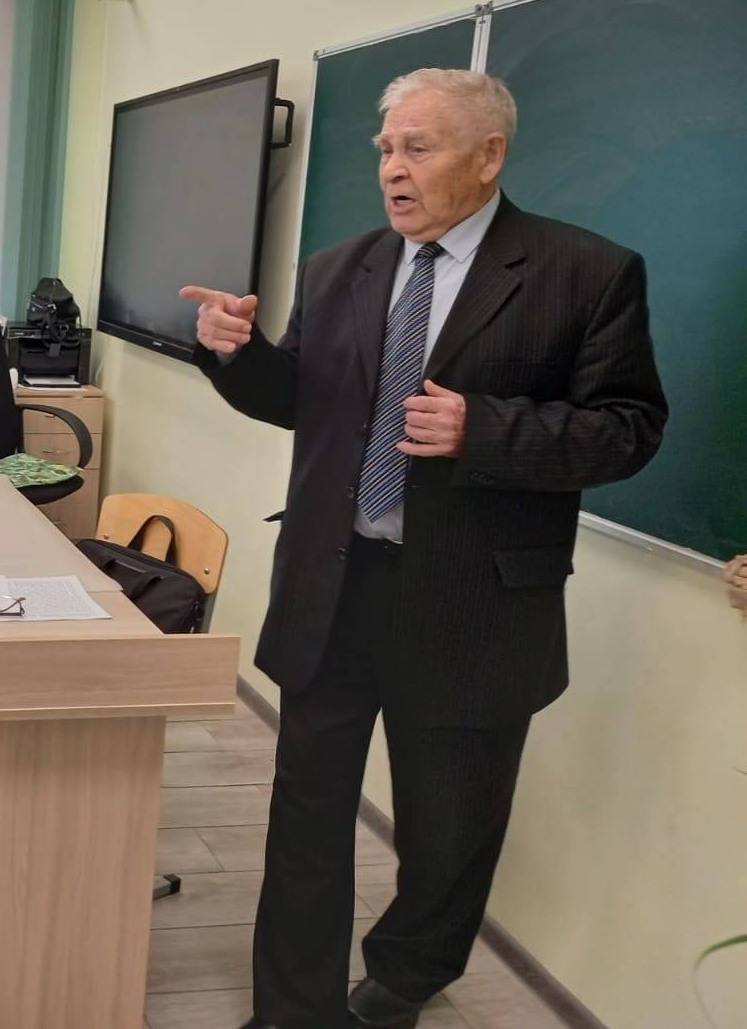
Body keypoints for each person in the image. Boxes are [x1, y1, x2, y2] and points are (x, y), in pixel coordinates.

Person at [179, 69, 667, 1029]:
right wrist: (236, 354)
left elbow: (629, 429)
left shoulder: (586, 272)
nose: (392, 171)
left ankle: (407, 976)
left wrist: (487, 430)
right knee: (306, 814)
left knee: (448, 831)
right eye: (385, 150)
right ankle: (292, 1011)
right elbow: (306, 403)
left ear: (489, 155)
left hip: (474, 604)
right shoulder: (340, 267)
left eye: (417, 148)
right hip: (334, 586)